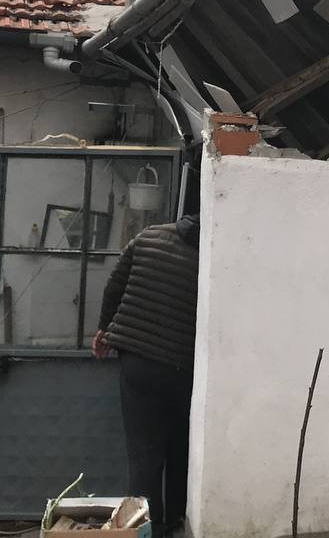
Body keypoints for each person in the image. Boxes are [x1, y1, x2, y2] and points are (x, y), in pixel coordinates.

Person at [93, 213, 200, 537]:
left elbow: (114, 287)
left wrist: (104, 330)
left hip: (140, 364)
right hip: (186, 368)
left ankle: (144, 531)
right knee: (183, 451)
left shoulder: (148, 237)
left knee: (144, 456)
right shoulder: (213, 252)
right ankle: (175, 525)